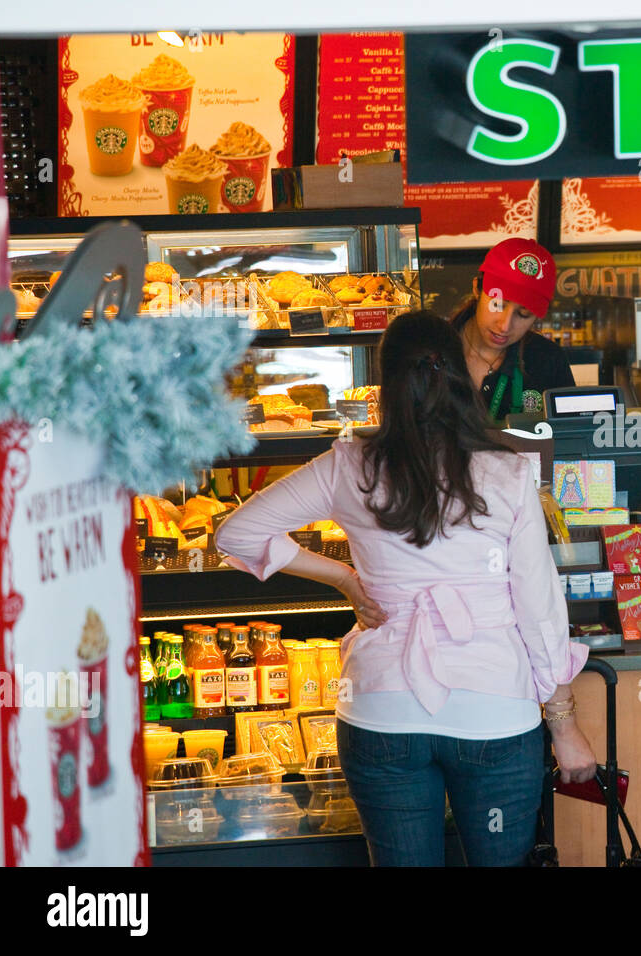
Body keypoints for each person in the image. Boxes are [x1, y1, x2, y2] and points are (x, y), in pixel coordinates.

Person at [216, 311, 597, 867]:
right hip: (493, 711)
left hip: (382, 709)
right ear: (461, 376)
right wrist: (564, 725)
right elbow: (538, 609)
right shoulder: (508, 474)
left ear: (385, 383)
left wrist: (344, 577)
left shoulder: (348, 466)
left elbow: (236, 533)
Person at [451, 237, 575, 420]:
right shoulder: (432, 351)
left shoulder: (547, 361)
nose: (505, 325)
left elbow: (570, 436)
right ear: (477, 288)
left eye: (523, 314)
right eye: (498, 304)